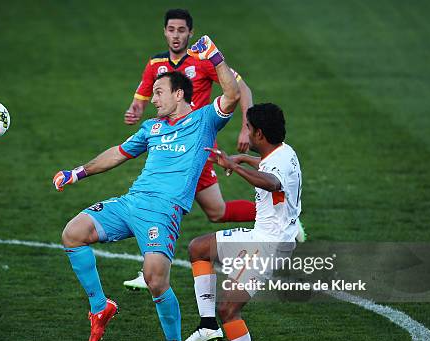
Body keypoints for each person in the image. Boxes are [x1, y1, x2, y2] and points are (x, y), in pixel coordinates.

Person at [54, 36, 240, 341]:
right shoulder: (151, 127)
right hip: (131, 203)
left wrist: (214, 57)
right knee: (73, 233)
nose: (152, 99)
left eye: (159, 93)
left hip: (162, 212)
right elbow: (118, 153)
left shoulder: (203, 122)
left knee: (156, 280)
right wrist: (77, 173)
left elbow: (232, 94)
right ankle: (100, 307)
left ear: (179, 94)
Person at [122, 9, 305, 292]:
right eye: (171, 29)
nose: (176, 35)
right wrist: (135, 109)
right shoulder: (156, 64)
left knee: (164, 201)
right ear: (164, 31)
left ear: (190, 33)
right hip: (170, 148)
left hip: (197, 150)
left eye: (181, 30)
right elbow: (144, 96)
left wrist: (246, 126)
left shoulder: (201, 61)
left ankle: (153, 268)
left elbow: (240, 89)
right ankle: (283, 223)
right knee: (215, 212)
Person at [179, 103, 301, 341]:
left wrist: (235, 167)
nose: (245, 132)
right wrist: (245, 158)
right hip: (265, 237)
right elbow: (269, 168)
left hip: (266, 244)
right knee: (199, 248)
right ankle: (207, 325)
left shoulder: (276, 166)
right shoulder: (285, 152)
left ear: (259, 132)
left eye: (248, 128)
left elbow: (272, 181)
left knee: (229, 309)